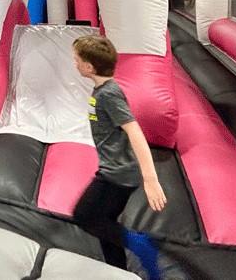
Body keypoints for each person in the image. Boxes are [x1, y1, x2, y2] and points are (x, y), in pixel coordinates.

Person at [71, 35, 167, 279]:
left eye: (77, 60)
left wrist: (150, 179)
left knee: (84, 215)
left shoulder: (109, 94)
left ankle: (141, 245)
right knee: (105, 221)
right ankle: (118, 271)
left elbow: (134, 131)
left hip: (118, 174)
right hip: (115, 169)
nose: (74, 63)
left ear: (89, 67)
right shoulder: (102, 89)